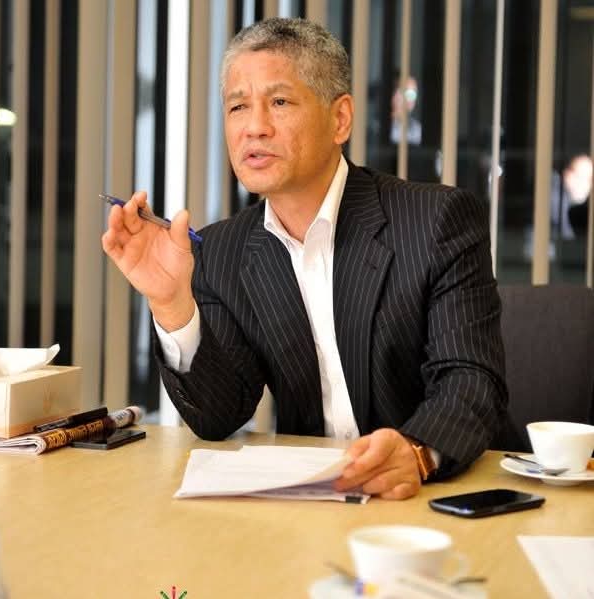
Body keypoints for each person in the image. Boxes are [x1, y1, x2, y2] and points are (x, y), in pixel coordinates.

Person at [102, 17, 508, 500]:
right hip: (311, 505)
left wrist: (418, 453)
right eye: (238, 106)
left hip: (429, 496)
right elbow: (218, 417)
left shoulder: (435, 220)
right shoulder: (221, 250)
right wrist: (172, 304)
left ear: (340, 119)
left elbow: (470, 379)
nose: (255, 127)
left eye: (279, 102)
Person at [390, 70, 422, 145]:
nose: (410, 100)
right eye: (407, 93)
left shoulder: (416, 128)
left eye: (413, 94)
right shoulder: (377, 128)